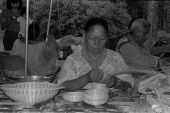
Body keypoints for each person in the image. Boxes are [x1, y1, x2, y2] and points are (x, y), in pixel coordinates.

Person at [54, 17, 134, 92]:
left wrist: (116, 82)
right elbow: (61, 87)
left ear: (106, 38)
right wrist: (86, 78)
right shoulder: (73, 60)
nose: (97, 43)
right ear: (84, 35)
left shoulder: (116, 58)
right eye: (92, 38)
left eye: (102, 39)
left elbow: (130, 87)